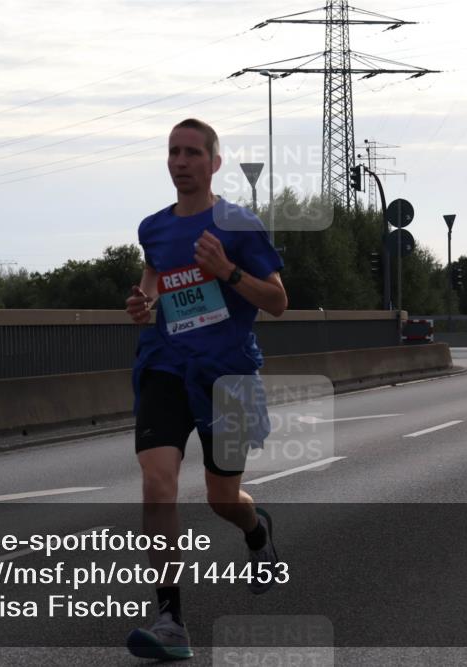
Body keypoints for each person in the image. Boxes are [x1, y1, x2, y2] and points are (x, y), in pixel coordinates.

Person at [124, 118, 288, 661]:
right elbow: (154, 276)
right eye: (173, 152)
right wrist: (145, 304)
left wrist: (227, 273)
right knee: (158, 480)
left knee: (223, 499)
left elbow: (278, 301)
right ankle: (170, 618)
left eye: (193, 152)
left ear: (214, 162)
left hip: (228, 375)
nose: (181, 161)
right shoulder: (153, 227)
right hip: (166, 366)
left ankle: (255, 528)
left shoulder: (239, 225)